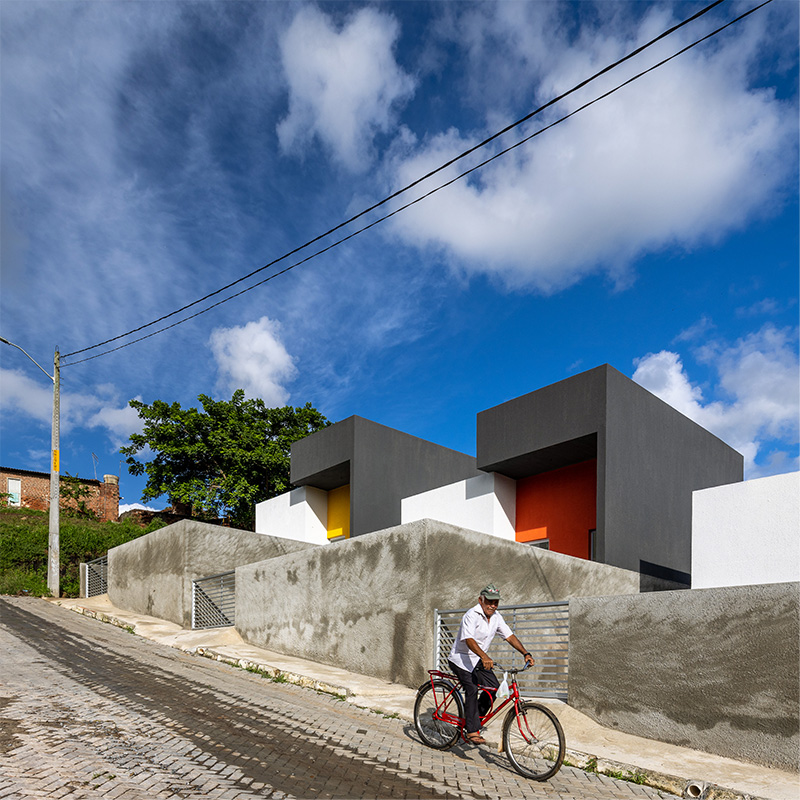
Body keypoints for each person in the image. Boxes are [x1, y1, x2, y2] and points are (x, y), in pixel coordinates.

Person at [448, 584, 535, 745]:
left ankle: (472, 720)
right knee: (472, 688)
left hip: (479, 660)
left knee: (493, 688)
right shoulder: (471, 615)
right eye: (489, 601)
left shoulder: (496, 617)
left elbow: (509, 636)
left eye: (496, 602)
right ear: (480, 600)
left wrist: (525, 653)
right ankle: (472, 730)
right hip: (461, 659)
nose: (492, 605)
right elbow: (469, 640)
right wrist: (484, 656)